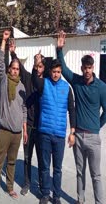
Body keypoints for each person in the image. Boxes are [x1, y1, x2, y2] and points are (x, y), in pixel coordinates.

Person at [57, 31, 106, 204]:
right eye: (85, 67)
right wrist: (59, 49)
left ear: (93, 68)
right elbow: (64, 69)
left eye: (89, 67)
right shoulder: (76, 82)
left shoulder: (101, 87)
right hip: (77, 136)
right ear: (82, 68)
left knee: (96, 175)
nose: (87, 70)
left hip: (93, 138)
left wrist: (96, 126)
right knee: (80, 172)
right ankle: (80, 200)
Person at [0, 30, 27, 203]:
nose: (15, 71)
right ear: (9, 69)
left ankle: (9, 187)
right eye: (13, 68)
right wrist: (3, 41)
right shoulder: (3, 80)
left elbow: (24, 109)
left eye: (18, 69)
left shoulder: (22, 87)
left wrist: (24, 130)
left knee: (12, 163)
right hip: (3, 131)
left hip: (17, 133)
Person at [32, 55, 76, 204]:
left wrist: (72, 132)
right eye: (53, 71)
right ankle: (45, 194)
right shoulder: (44, 83)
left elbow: (72, 110)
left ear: (61, 72)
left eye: (58, 71)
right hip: (44, 133)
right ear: (49, 71)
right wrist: (36, 64)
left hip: (59, 136)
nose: (55, 74)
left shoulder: (66, 88)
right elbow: (34, 80)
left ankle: (56, 196)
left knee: (57, 169)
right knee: (44, 167)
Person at [9, 40, 45, 195]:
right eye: (37, 65)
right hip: (29, 126)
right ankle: (27, 183)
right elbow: (19, 68)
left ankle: (44, 186)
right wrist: (12, 52)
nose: (38, 67)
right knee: (27, 157)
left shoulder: (48, 82)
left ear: (44, 67)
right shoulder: (28, 78)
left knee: (43, 160)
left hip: (43, 128)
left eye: (41, 65)